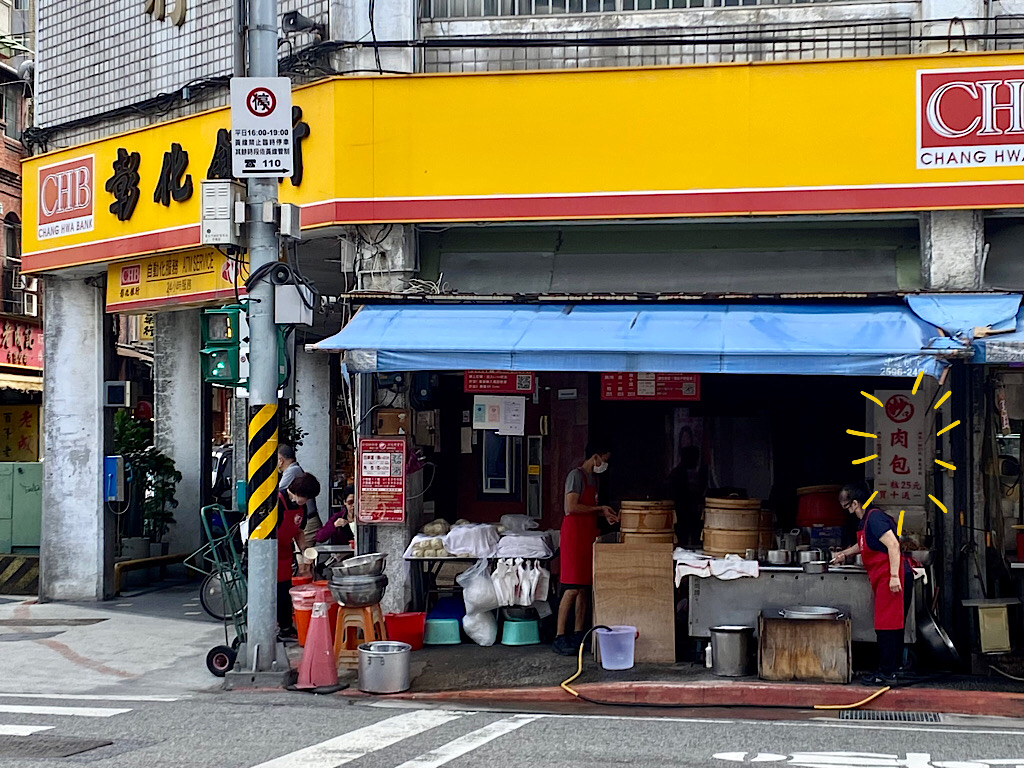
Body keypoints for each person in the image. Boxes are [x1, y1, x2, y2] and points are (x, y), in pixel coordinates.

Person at [830, 482, 914, 685]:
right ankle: (891, 669)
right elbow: (863, 545)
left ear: (856, 503)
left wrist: (894, 576)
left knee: (888, 626)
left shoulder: (874, 518)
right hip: (884, 577)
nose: (848, 512)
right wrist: (843, 554)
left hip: (892, 577)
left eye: (848, 507)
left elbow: (893, 544)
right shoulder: (866, 522)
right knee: (889, 625)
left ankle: (887, 673)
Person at [553, 441, 619, 656]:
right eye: (604, 460)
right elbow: (571, 507)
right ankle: (560, 635)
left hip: (588, 535)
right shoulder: (576, 475)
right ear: (595, 457)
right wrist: (599, 508)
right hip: (573, 536)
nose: (604, 464)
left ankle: (579, 633)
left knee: (583, 588)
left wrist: (603, 513)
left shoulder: (594, 480)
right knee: (571, 586)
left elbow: (588, 508)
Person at [276, 472, 319, 640]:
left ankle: (286, 628)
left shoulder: (302, 507)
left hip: (286, 553)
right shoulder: (277, 501)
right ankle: (270, 629)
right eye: (304, 497)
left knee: (285, 592)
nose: (305, 501)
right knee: (273, 593)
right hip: (270, 554)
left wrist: (304, 551)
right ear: (296, 491)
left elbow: (299, 532)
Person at [278, 444, 320, 541]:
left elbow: (280, 489)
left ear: (281, 459)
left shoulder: (292, 471)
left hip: (307, 520)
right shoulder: (296, 469)